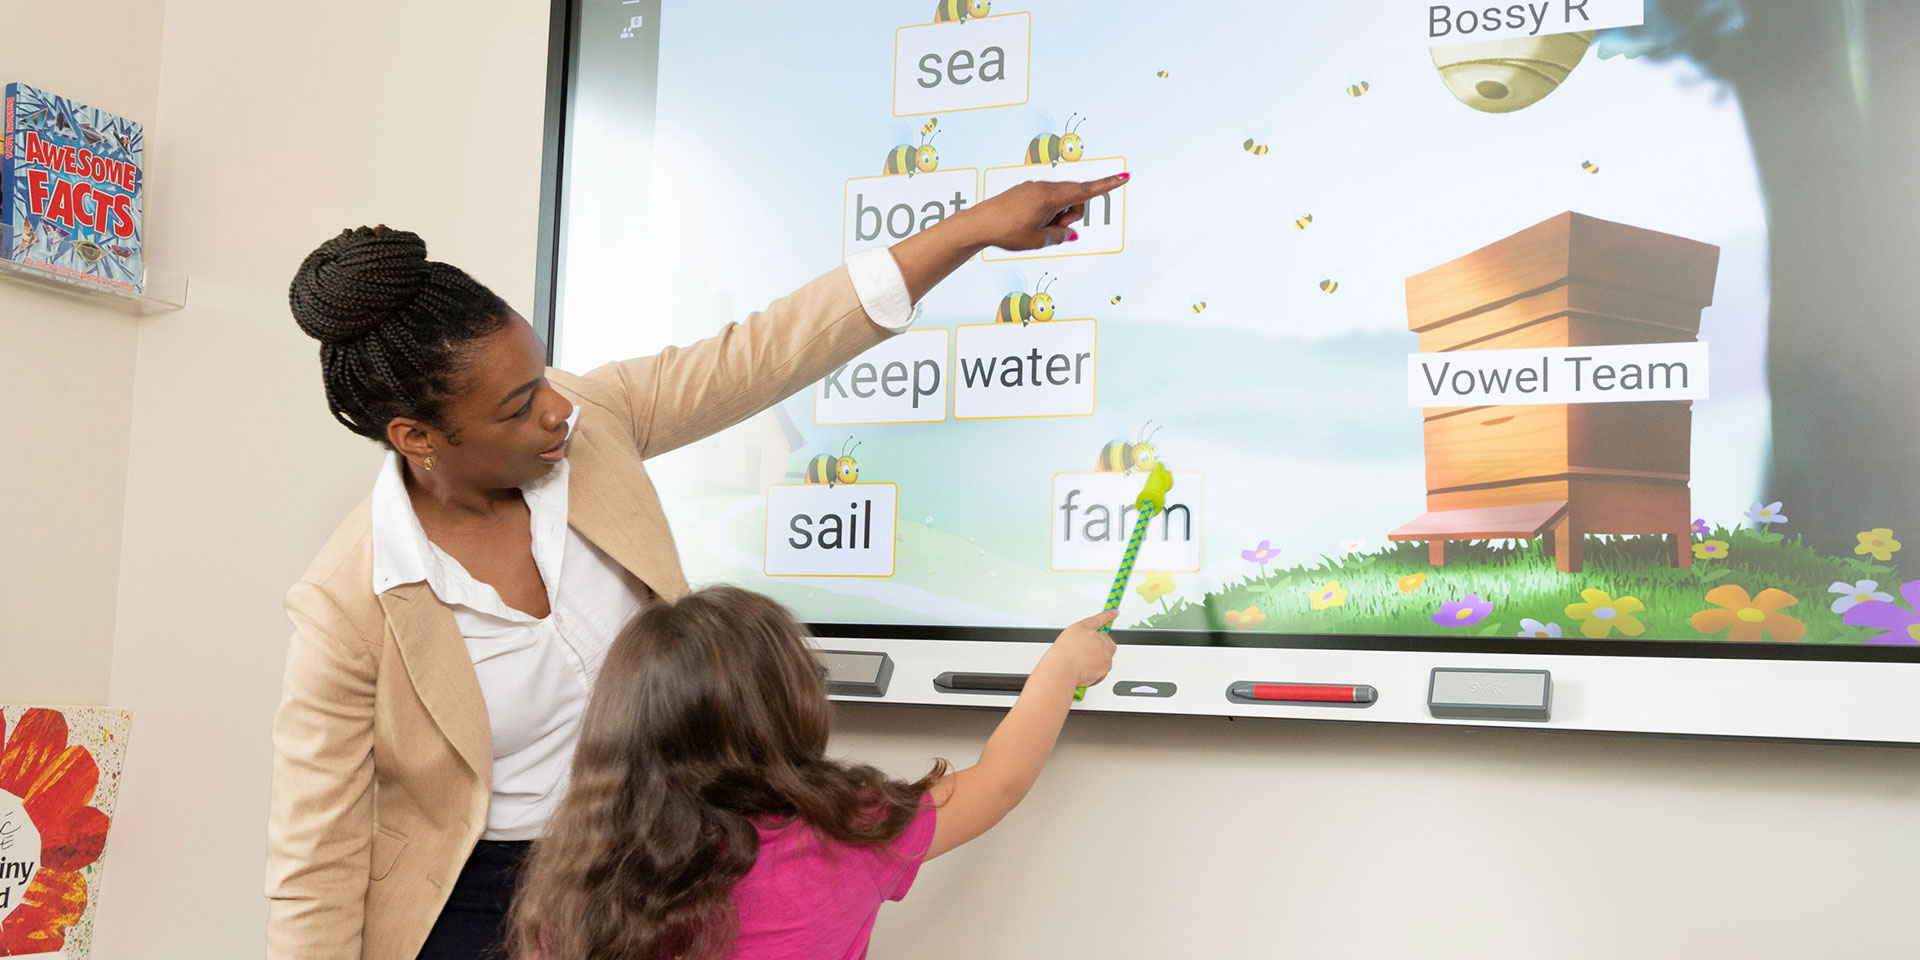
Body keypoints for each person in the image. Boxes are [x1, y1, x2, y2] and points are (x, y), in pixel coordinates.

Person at [264, 172, 1128, 960]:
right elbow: (315, 857)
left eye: (544, 375)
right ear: (417, 438)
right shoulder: (348, 603)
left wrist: (971, 229)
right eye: (521, 406)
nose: (560, 408)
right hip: (479, 903)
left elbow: (767, 351)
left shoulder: (592, 420)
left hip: (661, 866)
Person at [508, 587, 1118, 960]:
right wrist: (1063, 665)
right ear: (789, 704)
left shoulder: (582, 869)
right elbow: (1002, 780)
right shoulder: (847, 832)